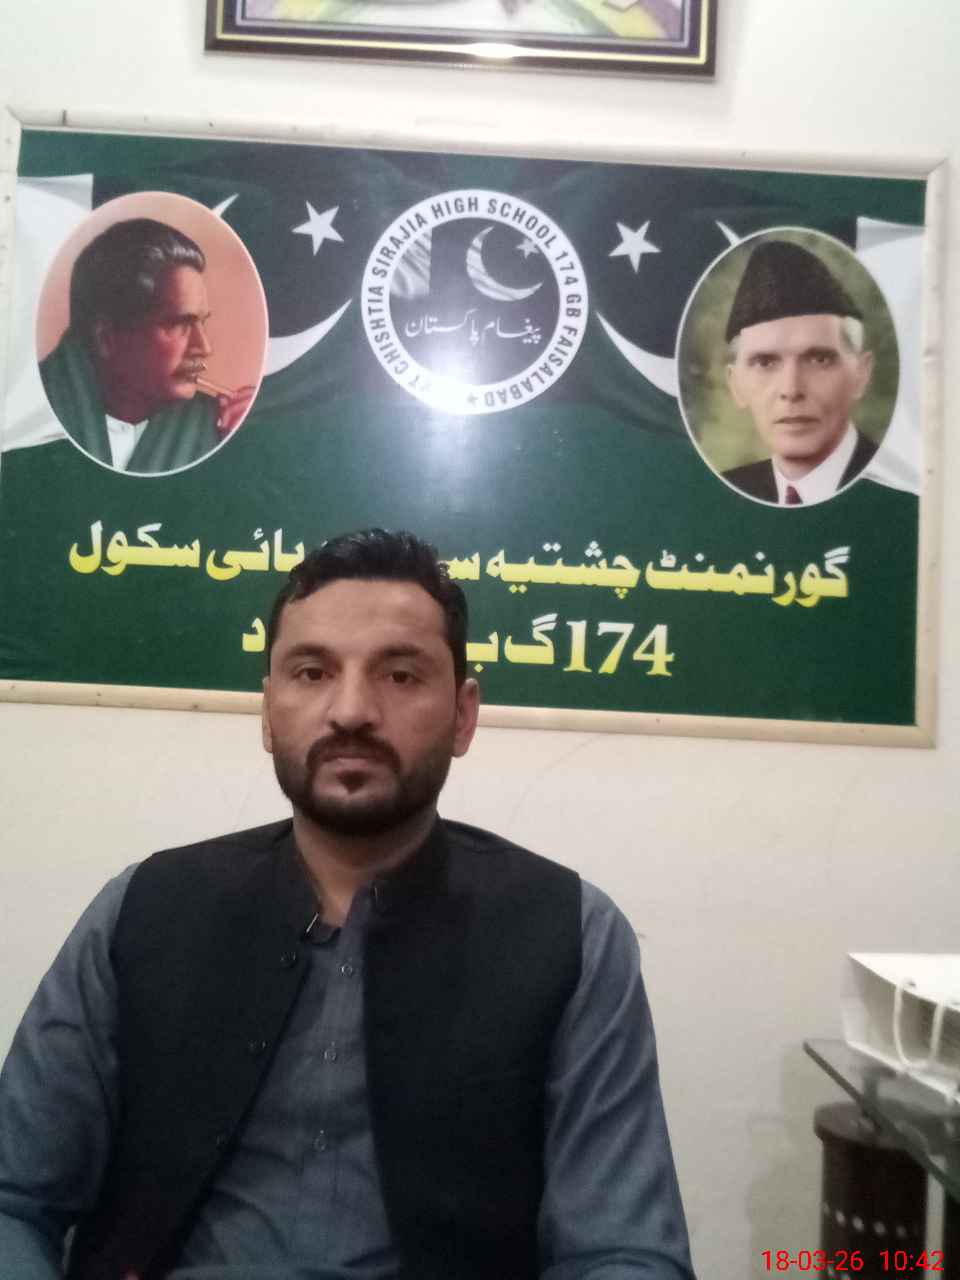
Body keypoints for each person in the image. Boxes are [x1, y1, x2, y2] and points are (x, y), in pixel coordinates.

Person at [0, 529, 694, 1280]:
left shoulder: (572, 935)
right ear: (268, 711)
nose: (353, 710)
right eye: (311, 672)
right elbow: (14, 1199)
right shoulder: (142, 911)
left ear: (463, 716)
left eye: (400, 674)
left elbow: (623, 1251)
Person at [39, 218, 254, 474]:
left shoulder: (216, 427)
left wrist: (240, 445)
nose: (204, 348)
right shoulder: (33, 410)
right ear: (106, 338)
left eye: (202, 323)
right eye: (177, 323)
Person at [722, 240, 878, 505]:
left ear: (860, 375)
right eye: (765, 363)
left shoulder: (901, 485)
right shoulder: (729, 494)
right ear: (736, 385)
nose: (791, 390)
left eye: (819, 359)